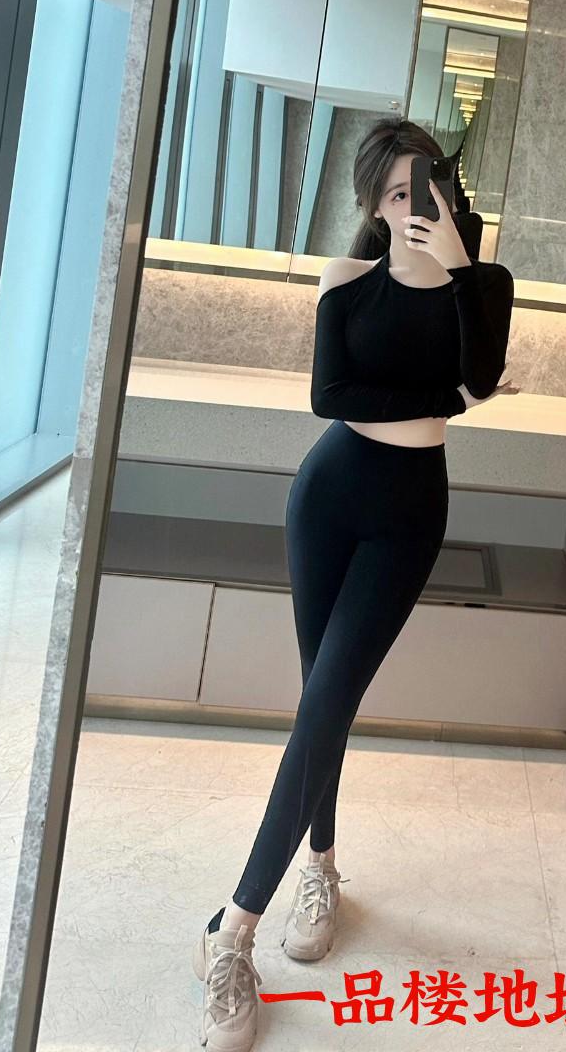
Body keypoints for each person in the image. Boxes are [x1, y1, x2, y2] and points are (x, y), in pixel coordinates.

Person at [191, 118, 516, 1051]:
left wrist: (460, 271)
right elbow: (330, 398)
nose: (416, 205)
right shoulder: (346, 280)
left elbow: (482, 378)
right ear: (374, 200)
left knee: (329, 699)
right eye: (398, 191)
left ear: (449, 194)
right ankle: (320, 867)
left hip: (409, 515)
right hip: (328, 497)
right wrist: (443, 401)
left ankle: (232, 928)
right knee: (320, 705)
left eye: (429, 188)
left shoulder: (484, 285)